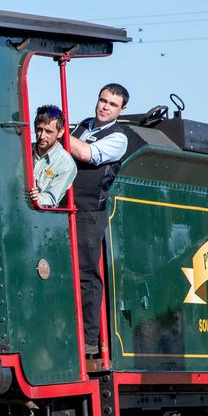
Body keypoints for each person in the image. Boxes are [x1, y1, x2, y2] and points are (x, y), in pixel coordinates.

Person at [68, 83, 130, 356]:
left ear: (121, 109)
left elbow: (86, 154)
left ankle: (89, 340)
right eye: (103, 100)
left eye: (112, 104)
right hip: (65, 208)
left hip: (90, 213)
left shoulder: (119, 137)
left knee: (86, 276)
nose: (105, 107)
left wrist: (58, 132)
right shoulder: (81, 127)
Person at [28, 105, 76, 208]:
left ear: (60, 133)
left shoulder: (66, 164)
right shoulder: (22, 151)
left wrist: (37, 197)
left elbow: (51, 199)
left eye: (48, 132)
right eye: (39, 129)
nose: (42, 136)